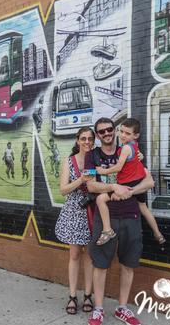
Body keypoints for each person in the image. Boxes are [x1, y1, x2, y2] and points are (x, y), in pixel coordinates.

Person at [86, 117, 155, 325]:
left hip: (131, 214)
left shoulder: (130, 152)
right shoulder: (92, 156)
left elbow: (148, 181)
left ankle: (122, 308)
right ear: (97, 136)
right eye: (101, 132)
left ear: (115, 131)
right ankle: (98, 309)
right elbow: (90, 185)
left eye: (109, 130)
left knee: (128, 264)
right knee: (100, 264)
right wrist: (114, 187)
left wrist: (129, 190)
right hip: (105, 216)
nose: (106, 133)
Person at [94, 118, 165, 245]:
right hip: (135, 182)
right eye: (121, 131)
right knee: (143, 207)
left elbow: (120, 168)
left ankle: (107, 230)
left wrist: (101, 171)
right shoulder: (133, 146)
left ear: (136, 135)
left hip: (128, 183)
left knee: (100, 199)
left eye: (127, 133)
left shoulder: (125, 148)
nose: (122, 135)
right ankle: (158, 233)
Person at [55, 127, 95, 315]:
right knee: (74, 255)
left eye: (90, 139)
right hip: (74, 211)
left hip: (93, 211)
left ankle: (88, 294)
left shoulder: (97, 159)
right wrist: (81, 179)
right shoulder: (69, 161)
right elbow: (63, 190)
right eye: (83, 138)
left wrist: (137, 156)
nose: (87, 142)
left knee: (90, 256)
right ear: (77, 140)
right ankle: (72, 295)